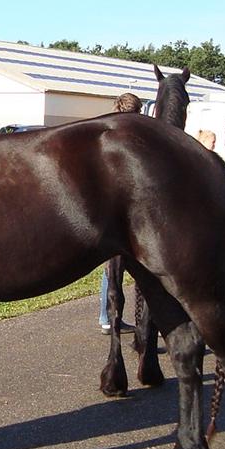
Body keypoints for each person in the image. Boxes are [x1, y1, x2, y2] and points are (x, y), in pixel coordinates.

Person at [99, 92, 144, 333]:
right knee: (114, 266)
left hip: (107, 213)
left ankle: (106, 317)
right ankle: (107, 317)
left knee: (110, 268)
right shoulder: (130, 136)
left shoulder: (105, 131)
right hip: (120, 214)